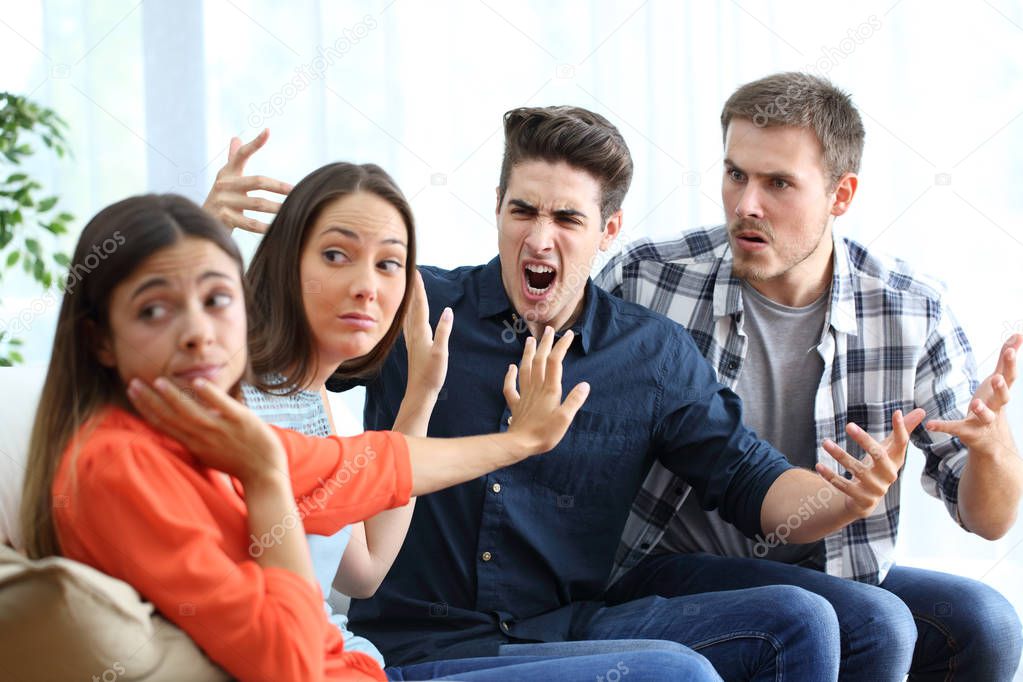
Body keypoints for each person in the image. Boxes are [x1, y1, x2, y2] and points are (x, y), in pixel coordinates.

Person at [205, 109, 923, 680]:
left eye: (567, 220)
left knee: (809, 620)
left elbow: (744, 477)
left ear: (607, 230)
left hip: (568, 628)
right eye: (522, 211)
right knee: (673, 674)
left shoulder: (649, 354)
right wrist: (208, 235)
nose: (538, 237)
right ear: (495, 207)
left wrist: (844, 500)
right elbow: (278, 348)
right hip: (420, 640)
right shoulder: (415, 304)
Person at [18, 193, 722, 681]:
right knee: (674, 672)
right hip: (365, 664)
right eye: (155, 310)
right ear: (99, 341)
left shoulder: (197, 429)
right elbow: (296, 663)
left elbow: (361, 468)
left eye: (215, 299)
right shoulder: (121, 463)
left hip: (367, 663)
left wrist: (511, 437)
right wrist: (265, 478)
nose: (199, 330)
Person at [596, 71, 1023, 681]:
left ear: (840, 195)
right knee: (874, 622)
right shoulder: (648, 278)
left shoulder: (910, 309)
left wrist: (992, 447)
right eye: (735, 173)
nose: (746, 203)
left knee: (986, 623)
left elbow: (990, 520)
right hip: (663, 564)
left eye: (778, 184)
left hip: (829, 567)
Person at [239, 161, 710, 677]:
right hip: (344, 665)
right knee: (672, 673)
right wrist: (519, 441)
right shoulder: (232, 399)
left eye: (389, 264)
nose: (365, 286)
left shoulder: (321, 408)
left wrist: (421, 395)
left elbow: (367, 570)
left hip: (355, 664)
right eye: (335, 255)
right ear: (288, 262)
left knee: (693, 659)